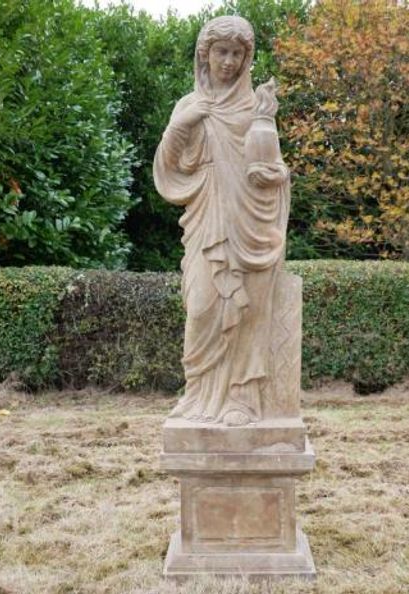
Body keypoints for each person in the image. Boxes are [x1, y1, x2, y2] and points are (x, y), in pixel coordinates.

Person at [154, 16, 290, 426]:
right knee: (201, 307)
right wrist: (180, 126)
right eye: (221, 52)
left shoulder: (254, 108)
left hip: (249, 221)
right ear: (205, 54)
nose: (229, 62)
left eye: (237, 54)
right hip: (206, 216)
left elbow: (273, 166)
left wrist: (272, 172)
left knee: (248, 310)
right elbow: (167, 169)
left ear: (246, 59)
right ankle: (197, 395)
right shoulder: (188, 106)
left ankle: (242, 399)